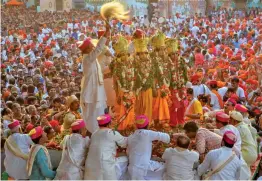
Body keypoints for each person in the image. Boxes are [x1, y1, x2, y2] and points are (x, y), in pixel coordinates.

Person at [79, 21, 110, 133]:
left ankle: (99, 131)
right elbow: (98, 49)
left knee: (100, 111)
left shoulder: (92, 58)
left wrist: (107, 34)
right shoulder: (88, 58)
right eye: (91, 46)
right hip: (91, 93)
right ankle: (91, 133)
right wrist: (105, 35)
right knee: (91, 116)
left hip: (97, 90)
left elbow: (100, 50)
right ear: (87, 49)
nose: (93, 47)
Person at [84, 114, 127, 180]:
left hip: (90, 165)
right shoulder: (112, 133)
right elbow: (124, 143)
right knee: (125, 159)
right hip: (105, 164)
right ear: (109, 123)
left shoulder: (94, 134)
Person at [127, 115, 170, 180]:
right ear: (148, 125)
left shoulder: (130, 137)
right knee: (166, 168)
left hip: (132, 168)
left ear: (136, 126)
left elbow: (128, 152)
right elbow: (166, 137)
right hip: (144, 168)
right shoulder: (147, 133)